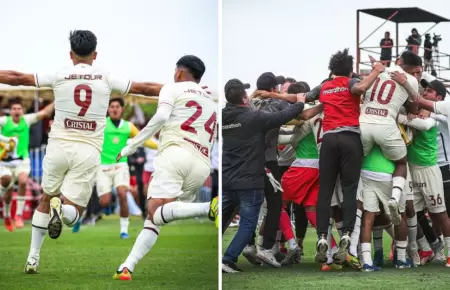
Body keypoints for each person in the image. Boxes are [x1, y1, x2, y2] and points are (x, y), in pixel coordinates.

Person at [0, 29, 164, 274]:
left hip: (57, 146)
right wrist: (178, 90)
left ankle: (33, 258)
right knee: (74, 213)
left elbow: (16, 77)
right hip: (87, 151)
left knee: (45, 199)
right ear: (95, 55)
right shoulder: (107, 77)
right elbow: (145, 87)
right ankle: (61, 210)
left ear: (70, 54)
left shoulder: (59, 73)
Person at [113, 55, 218, 280]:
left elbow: (161, 116)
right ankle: (127, 266)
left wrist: (133, 145)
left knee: (156, 211)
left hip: (176, 154)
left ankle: (210, 207)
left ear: (179, 72)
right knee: (156, 216)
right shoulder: (211, 97)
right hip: (202, 163)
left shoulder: (172, 88)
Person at [221, 78, 306, 272]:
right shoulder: (253, 118)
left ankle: (229, 255)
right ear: (244, 98)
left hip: (228, 177)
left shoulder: (224, 115)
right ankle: (228, 259)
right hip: (249, 178)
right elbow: (283, 116)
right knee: (248, 223)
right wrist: (300, 101)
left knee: (226, 219)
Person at [360, 51, 421, 225]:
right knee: (401, 162)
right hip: (386, 125)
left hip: (364, 123)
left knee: (358, 160)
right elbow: (414, 110)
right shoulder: (411, 80)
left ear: (399, 60)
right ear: (415, 68)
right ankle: (394, 197)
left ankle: (357, 197)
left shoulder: (379, 69)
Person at [94, 98, 158, 239]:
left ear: (122, 109)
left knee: (123, 194)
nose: (114, 109)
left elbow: (143, 139)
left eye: (117, 106)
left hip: (121, 165)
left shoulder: (128, 127)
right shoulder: (102, 124)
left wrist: (159, 146)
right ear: (108, 109)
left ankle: (124, 230)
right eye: (112, 107)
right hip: (103, 167)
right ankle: (85, 216)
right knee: (104, 201)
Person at [0, 100, 54, 231]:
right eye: (14, 109)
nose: (17, 111)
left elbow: (45, 112)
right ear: (10, 111)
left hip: (22, 159)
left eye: (19, 108)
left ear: (22, 111)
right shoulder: (4, 121)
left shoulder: (27, 120)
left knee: (23, 181)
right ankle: (7, 215)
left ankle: (18, 215)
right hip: (5, 161)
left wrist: (57, 99)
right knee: (7, 186)